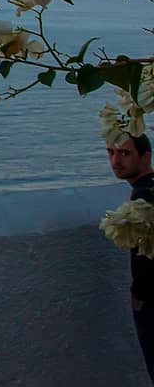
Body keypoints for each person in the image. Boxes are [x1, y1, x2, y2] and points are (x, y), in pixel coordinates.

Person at [110, 133, 154, 382]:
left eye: (124, 153)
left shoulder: (144, 197)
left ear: (145, 156)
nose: (115, 161)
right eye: (111, 153)